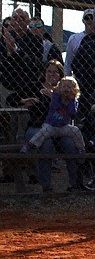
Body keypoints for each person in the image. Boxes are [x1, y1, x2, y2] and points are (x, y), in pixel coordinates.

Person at [17, 60, 82, 192]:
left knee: (70, 144)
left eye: (55, 72)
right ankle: (46, 186)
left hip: (60, 128)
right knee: (46, 144)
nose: (52, 74)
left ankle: (75, 184)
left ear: (60, 75)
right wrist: (24, 101)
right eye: (49, 71)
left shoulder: (66, 89)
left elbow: (74, 111)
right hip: (37, 127)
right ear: (44, 73)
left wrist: (58, 95)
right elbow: (12, 98)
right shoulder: (34, 87)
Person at [21, 76, 85, 154]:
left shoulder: (73, 101)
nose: (66, 89)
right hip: (51, 125)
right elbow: (54, 106)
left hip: (63, 127)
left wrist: (71, 100)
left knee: (76, 130)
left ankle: (81, 148)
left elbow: (73, 112)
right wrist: (56, 95)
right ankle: (30, 145)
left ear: (74, 90)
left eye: (69, 87)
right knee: (42, 132)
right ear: (59, 88)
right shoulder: (56, 97)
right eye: (64, 86)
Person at [64, 8, 95, 75]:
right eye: (87, 18)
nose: (89, 20)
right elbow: (69, 59)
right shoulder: (74, 38)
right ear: (83, 21)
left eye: (92, 17)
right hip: (79, 72)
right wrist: (67, 75)